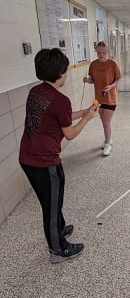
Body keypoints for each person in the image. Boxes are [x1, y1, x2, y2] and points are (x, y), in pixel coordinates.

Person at [19, 48, 99, 264]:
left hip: (26, 157)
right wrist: (88, 119)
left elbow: (59, 117)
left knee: (52, 199)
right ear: (60, 73)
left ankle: (60, 229)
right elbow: (70, 133)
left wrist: (83, 112)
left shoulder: (36, 92)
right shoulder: (60, 100)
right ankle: (58, 250)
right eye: (65, 70)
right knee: (51, 206)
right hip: (44, 162)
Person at [83, 41, 121, 156]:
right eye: (99, 52)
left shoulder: (112, 64)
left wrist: (111, 86)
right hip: (98, 99)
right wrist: (86, 79)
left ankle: (108, 143)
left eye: (104, 52)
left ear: (107, 52)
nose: (101, 55)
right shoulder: (93, 64)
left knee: (106, 122)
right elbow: (91, 80)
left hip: (110, 98)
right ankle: (108, 139)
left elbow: (118, 79)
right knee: (104, 122)